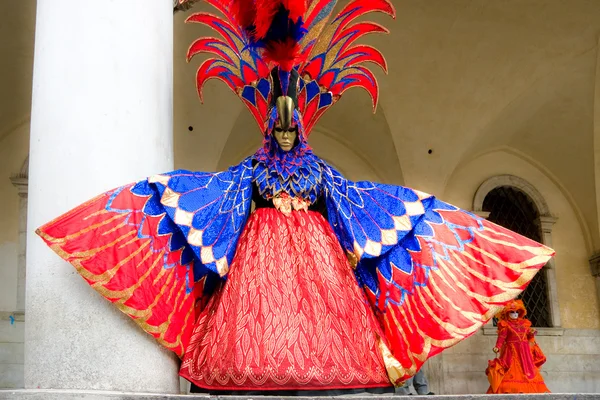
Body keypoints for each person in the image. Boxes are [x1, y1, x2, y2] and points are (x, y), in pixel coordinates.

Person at [36, 0, 555, 393]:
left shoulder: (318, 171)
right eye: (278, 131)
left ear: (300, 131)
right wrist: (159, 193)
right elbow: (218, 197)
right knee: (246, 333)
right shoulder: (253, 170)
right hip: (257, 262)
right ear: (269, 130)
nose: (285, 136)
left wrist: (413, 206)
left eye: (291, 131)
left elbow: (354, 199)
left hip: (320, 261)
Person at [486, 300, 550, 394]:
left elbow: (529, 336)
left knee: (528, 371)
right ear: (507, 313)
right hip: (512, 352)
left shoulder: (524, 324)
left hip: (525, 352)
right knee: (512, 370)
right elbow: (502, 337)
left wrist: (531, 333)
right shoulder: (505, 325)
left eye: (517, 312)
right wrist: (497, 347)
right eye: (512, 312)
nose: (515, 314)